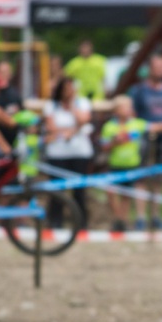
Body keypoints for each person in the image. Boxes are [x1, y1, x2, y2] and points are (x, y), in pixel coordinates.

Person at [130, 53, 162, 229]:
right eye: (157, 67)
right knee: (142, 178)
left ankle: (155, 216)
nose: (160, 70)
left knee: (159, 179)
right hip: (145, 139)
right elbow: (131, 116)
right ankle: (141, 217)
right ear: (150, 69)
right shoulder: (138, 91)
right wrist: (148, 127)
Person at [43, 75, 95, 226]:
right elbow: (51, 128)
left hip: (79, 153)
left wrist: (72, 106)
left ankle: (80, 223)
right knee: (57, 190)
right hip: (57, 153)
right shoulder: (51, 105)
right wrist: (73, 130)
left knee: (79, 191)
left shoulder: (81, 103)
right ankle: (55, 223)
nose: (69, 91)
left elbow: (83, 120)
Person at [100, 97, 147, 232]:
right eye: (125, 107)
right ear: (116, 110)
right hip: (115, 164)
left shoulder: (136, 124)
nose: (128, 110)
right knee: (111, 193)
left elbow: (154, 126)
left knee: (126, 196)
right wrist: (115, 142)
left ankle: (123, 221)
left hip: (132, 164)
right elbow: (104, 146)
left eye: (129, 107)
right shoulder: (109, 126)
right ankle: (117, 218)